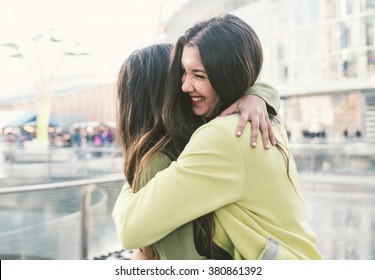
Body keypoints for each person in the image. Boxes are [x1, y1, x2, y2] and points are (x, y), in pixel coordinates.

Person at [115, 42, 281, 259]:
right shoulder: (182, 149)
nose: (187, 84)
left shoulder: (196, 139)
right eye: (183, 74)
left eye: (194, 75)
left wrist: (257, 96)